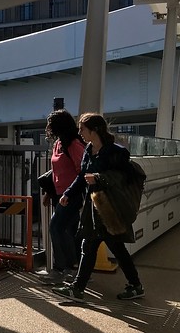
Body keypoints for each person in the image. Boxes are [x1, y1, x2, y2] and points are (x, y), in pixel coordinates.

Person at [52, 112, 145, 302]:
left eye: (82, 129)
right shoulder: (89, 149)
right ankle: (81, 288)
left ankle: (81, 288)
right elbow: (82, 176)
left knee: (106, 247)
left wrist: (99, 178)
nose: (80, 132)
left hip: (110, 208)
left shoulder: (116, 152)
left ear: (94, 130)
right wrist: (68, 193)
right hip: (94, 207)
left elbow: (125, 177)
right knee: (94, 246)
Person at [39, 109, 85, 284]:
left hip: (71, 195)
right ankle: (77, 271)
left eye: (51, 124)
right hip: (60, 194)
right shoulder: (59, 143)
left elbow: (83, 171)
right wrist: (49, 193)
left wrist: (70, 192)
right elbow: (56, 171)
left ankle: (61, 269)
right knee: (69, 231)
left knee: (56, 227)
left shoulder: (73, 144)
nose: (48, 128)